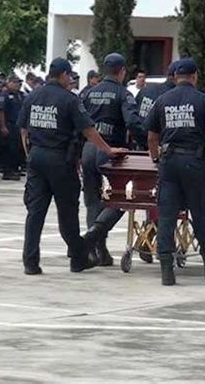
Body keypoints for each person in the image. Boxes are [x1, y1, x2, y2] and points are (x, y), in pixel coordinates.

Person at [17, 57, 125, 275]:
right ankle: (78, 259)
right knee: (67, 213)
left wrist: (30, 156)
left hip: (37, 158)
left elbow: (23, 130)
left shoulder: (33, 96)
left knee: (35, 212)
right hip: (60, 160)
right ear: (64, 75)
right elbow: (88, 130)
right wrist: (108, 150)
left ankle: (30, 261)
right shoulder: (69, 99)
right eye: (70, 76)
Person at [145, 58, 205, 285]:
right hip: (193, 162)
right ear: (195, 76)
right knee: (201, 212)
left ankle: (166, 266)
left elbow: (151, 136)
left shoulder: (162, 100)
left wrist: (156, 157)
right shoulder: (203, 100)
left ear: (176, 77)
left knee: (166, 214)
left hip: (169, 162)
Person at [80, 53, 147, 266]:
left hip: (88, 149)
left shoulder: (89, 93)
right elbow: (133, 124)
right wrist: (146, 145)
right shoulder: (123, 94)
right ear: (122, 71)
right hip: (111, 151)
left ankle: (96, 249)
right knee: (121, 199)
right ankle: (95, 238)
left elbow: (79, 122)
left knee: (92, 200)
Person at [0, 74, 24, 180]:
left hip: (17, 125)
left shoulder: (18, 95)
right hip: (9, 124)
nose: (17, 85)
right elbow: (1, 111)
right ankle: (7, 171)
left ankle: (14, 169)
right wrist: (3, 126)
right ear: (9, 83)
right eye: (15, 82)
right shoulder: (4, 94)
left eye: (18, 82)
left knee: (16, 149)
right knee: (9, 149)